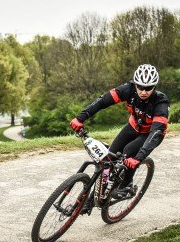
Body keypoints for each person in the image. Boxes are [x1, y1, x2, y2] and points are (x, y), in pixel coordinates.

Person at [70, 64, 169, 198]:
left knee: (128, 151)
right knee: (109, 156)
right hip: (133, 126)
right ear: (135, 84)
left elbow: (156, 132)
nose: (144, 92)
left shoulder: (160, 102)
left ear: (155, 87)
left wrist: (138, 158)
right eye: (140, 87)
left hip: (150, 134)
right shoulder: (128, 89)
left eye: (148, 88)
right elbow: (102, 101)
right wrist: (81, 118)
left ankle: (126, 184)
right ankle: (98, 194)